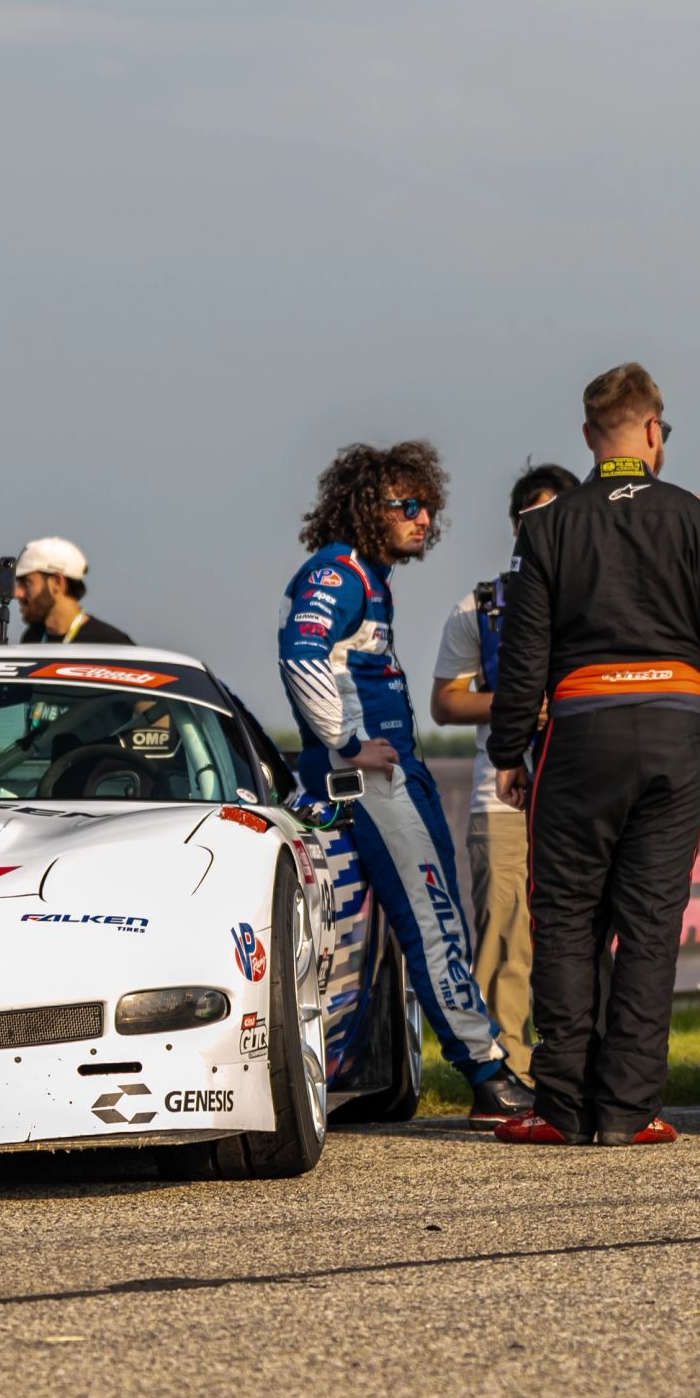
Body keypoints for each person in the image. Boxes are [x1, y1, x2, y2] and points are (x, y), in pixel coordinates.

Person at [488, 365, 700, 1146]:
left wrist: (510, 750)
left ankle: (562, 1108)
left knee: (566, 921)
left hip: (581, 731)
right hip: (677, 730)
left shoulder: (547, 528)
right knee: (649, 923)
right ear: (652, 431)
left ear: (588, 438)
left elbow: (524, 659)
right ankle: (631, 1112)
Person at [279, 443, 529, 1125]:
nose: (424, 519)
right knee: (434, 922)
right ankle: (488, 1074)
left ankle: (362, 1076)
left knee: (379, 936)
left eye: (429, 506)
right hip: (368, 786)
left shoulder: (367, 576)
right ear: (366, 509)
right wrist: (349, 745)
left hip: (379, 778)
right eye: (407, 506)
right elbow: (302, 656)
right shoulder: (339, 572)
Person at [430, 462, 580, 1093]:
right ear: (515, 526)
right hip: (503, 788)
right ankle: (510, 1076)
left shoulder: (599, 595)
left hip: (580, 780)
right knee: (504, 930)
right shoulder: (481, 604)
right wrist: (517, 704)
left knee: (582, 929)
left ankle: (580, 1070)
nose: (538, 529)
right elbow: (444, 704)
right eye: (529, 519)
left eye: (552, 517)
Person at [14, 537, 132, 646]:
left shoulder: (111, 643)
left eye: (27, 582)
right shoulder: (33, 638)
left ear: (57, 583)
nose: (17, 593)